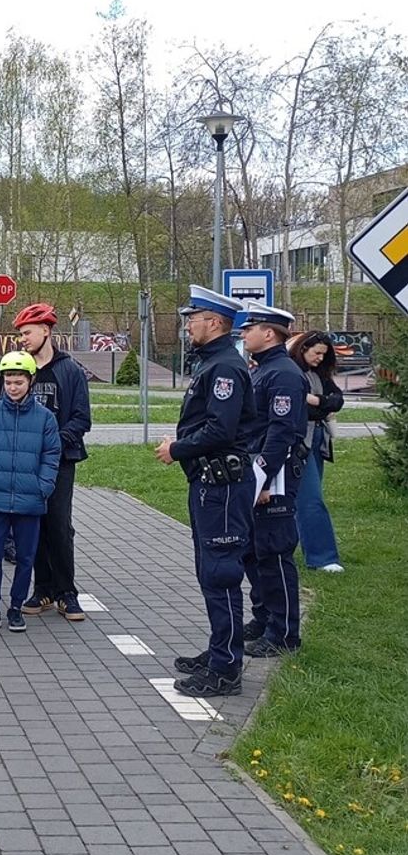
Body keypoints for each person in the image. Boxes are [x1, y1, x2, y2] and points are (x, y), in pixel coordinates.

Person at [154, 287, 257, 697]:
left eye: (192, 318)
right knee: (211, 571)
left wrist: (176, 448)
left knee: (221, 573)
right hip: (210, 483)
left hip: (223, 487)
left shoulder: (226, 369)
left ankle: (227, 670)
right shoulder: (213, 363)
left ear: (213, 323)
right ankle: (219, 652)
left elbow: (221, 429)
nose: (187, 325)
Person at [0, 351, 61, 633]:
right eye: (8, 381)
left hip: (30, 499)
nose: (12, 387)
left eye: (18, 382)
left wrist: (42, 486)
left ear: (30, 381)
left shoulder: (45, 418)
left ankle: (16, 607)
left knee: (25, 557)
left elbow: (52, 454)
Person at [12, 302, 92, 621]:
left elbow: (81, 418)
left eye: (27, 333)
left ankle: (66, 591)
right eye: (20, 334)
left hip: (59, 461)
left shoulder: (69, 370)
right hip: (28, 463)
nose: (23, 339)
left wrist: (54, 442)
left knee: (59, 525)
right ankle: (42, 589)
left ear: (46, 331)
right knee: (35, 526)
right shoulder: (23, 370)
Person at [240, 302, 309, 657]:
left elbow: (281, 431)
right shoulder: (263, 370)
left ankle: (283, 633)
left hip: (274, 473)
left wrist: (263, 480)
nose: (243, 333)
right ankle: (265, 616)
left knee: (274, 552)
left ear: (268, 333)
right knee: (254, 551)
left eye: (249, 328)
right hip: (259, 470)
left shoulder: (281, 373)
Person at [289, 331, 345, 573]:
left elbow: (337, 401)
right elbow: (302, 407)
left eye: (324, 354)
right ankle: (323, 557)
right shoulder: (291, 372)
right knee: (310, 499)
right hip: (301, 439)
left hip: (317, 438)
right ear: (303, 348)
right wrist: (322, 405)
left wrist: (316, 401)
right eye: (317, 352)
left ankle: (283, 548)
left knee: (300, 497)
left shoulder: (318, 373)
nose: (320, 358)